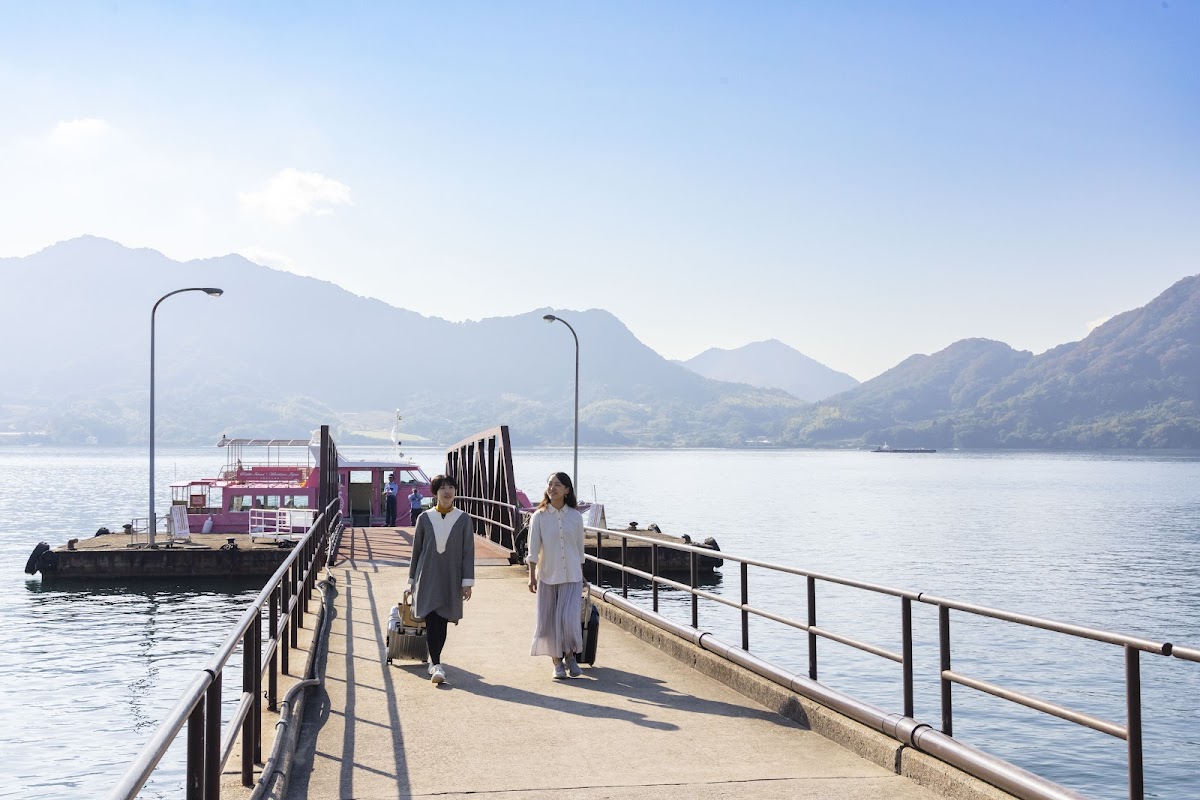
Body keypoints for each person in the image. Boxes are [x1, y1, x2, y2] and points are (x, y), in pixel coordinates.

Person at [408, 474, 474, 685]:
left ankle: (434, 662)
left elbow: (468, 553)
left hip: (451, 577)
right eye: (443, 488)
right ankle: (436, 663)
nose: (447, 491)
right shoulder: (424, 518)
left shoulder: (463, 519)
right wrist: (410, 581)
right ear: (435, 492)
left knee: (443, 619)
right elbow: (416, 551)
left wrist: (467, 583)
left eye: (451, 487)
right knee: (432, 618)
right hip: (426, 576)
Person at [527, 471, 586, 679]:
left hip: (572, 576)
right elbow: (532, 550)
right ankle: (557, 663)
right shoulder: (539, 516)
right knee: (550, 621)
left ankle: (570, 656)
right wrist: (531, 576)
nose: (552, 488)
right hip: (548, 575)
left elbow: (579, 549)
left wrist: (582, 573)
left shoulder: (576, 517)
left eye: (557, 485)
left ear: (567, 490)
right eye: (550, 484)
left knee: (569, 620)